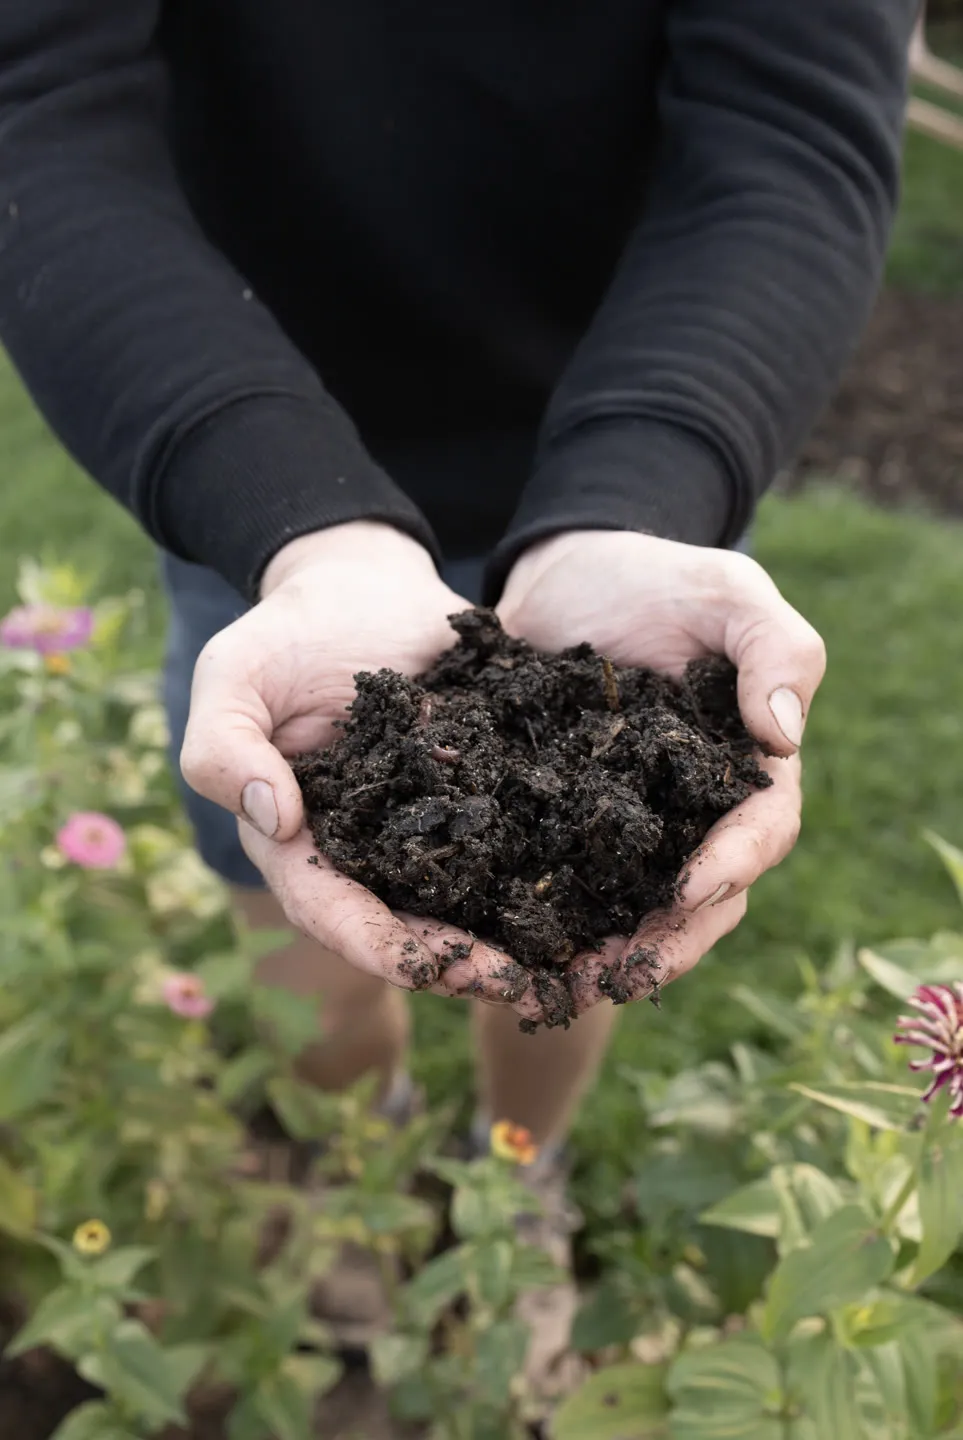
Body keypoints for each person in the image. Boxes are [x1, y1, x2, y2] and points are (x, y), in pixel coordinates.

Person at [0, 0, 912, 1389]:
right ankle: (363, 1162)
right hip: (254, 455)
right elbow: (38, 97)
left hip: (630, 439)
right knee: (305, 917)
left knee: (590, 915)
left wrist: (633, 494)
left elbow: (787, 123)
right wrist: (297, 519)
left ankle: (515, 1177)